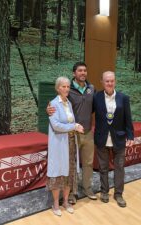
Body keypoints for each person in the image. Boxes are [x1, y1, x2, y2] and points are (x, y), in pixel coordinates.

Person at [47, 62, 97, 204]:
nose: (83, 73)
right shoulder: (68, 91)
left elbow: (94, 107)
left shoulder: (91, 88)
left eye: (85, 70)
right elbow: (56, 106)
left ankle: (87, 188)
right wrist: (48, 109)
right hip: (71, 135)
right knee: (72, 164)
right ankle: (71, 194)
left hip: (87, 132)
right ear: (74, 73)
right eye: (80, 71)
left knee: (87, 162)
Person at [93, 71, 134, 208]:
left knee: (119, 168)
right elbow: (84, 111)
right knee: (103, 168)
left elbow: (128, 119)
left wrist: (131, 136)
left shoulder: (123, 98)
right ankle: (104, 191)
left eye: (112, 81)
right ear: (102, 82)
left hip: (119, 139)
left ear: (115, 81)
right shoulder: (96, 97)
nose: (110, 83)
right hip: (101, 138)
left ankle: (118, 194)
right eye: (107, 81)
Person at [47, 76, 84, 216]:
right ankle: (55, 203)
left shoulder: (68, 103)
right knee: (58, 173)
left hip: (70, 143)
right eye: (63, 86)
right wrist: (74, 126)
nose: (66, 89)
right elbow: (56, 126)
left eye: (68, 86)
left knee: (69, 172)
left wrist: (74, 127)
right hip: (59, 144)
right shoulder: (53, 104)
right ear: (57, 88)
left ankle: (66, 201)